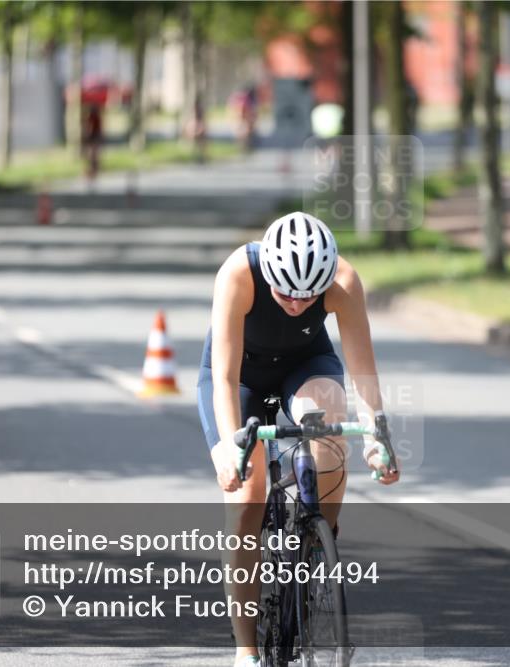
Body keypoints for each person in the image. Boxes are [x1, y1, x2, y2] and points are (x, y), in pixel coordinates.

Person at [197, 211, 400, 667]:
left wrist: (379, 436)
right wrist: (232, 449)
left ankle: (318, 539)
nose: (294, 303)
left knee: (329, 429)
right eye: (285, 291)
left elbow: (363, 372)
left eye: (307, 295)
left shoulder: (343, 282)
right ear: (268, 273)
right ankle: (245, 650)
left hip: (304, 365)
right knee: (247, 497)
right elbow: (225, 379)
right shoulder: (238, 273)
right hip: (240, 378)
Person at [81, 104, 102, 188]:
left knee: (92, 158)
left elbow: (92, 129)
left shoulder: (94, 118)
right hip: (92, 139)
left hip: (93, 139)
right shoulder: (92, 118)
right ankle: (91, 174)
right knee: (92, 158)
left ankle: (92, 174)